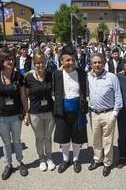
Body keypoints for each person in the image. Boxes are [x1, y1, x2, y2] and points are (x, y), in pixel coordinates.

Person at [0, 48, 29, 180]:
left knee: (17, 141)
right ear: (1, 61)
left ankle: (20, 162)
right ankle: (8, 164)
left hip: (16, 114)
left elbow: (23, 97)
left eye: (11, 58)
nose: (10, 61)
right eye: (7, 59)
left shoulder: (19, 76)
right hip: (1, 116)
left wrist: (26, 113)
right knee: (6, 142)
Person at [53, 44, 88, 174]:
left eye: (73, 60)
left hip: (78, 110)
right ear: (62, 61)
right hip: (62, 111)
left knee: (77, 137)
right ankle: (65, 159)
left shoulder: (82, 74)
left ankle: (76, 159)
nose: (70, 62)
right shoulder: (56, 74)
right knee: (64, 137)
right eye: (67, 60)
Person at [88, 53, 123, 177]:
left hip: (108, 113)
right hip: (94, 113)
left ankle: (107, 163)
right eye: (94, 62)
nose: (97, 65)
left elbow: (118, 97)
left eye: (99, 62)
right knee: (96, 139)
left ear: (104, 63)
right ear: (91, 64)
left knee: (107, 141)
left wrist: (114, 114)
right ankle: (98, 159)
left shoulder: (111, 77)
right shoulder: (88, 76)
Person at [25, 52, 55, 171]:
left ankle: (49, 158)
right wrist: (26, 113)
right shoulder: (28, 78)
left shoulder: (51, 76)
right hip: (35, 112)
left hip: (49, 111)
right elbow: (25, 96)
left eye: (42, 62)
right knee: (39, 137)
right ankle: (41, 159)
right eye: (37, 62)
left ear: (46, 62)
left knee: (48, 137)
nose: (40, 64)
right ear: (34, 63)